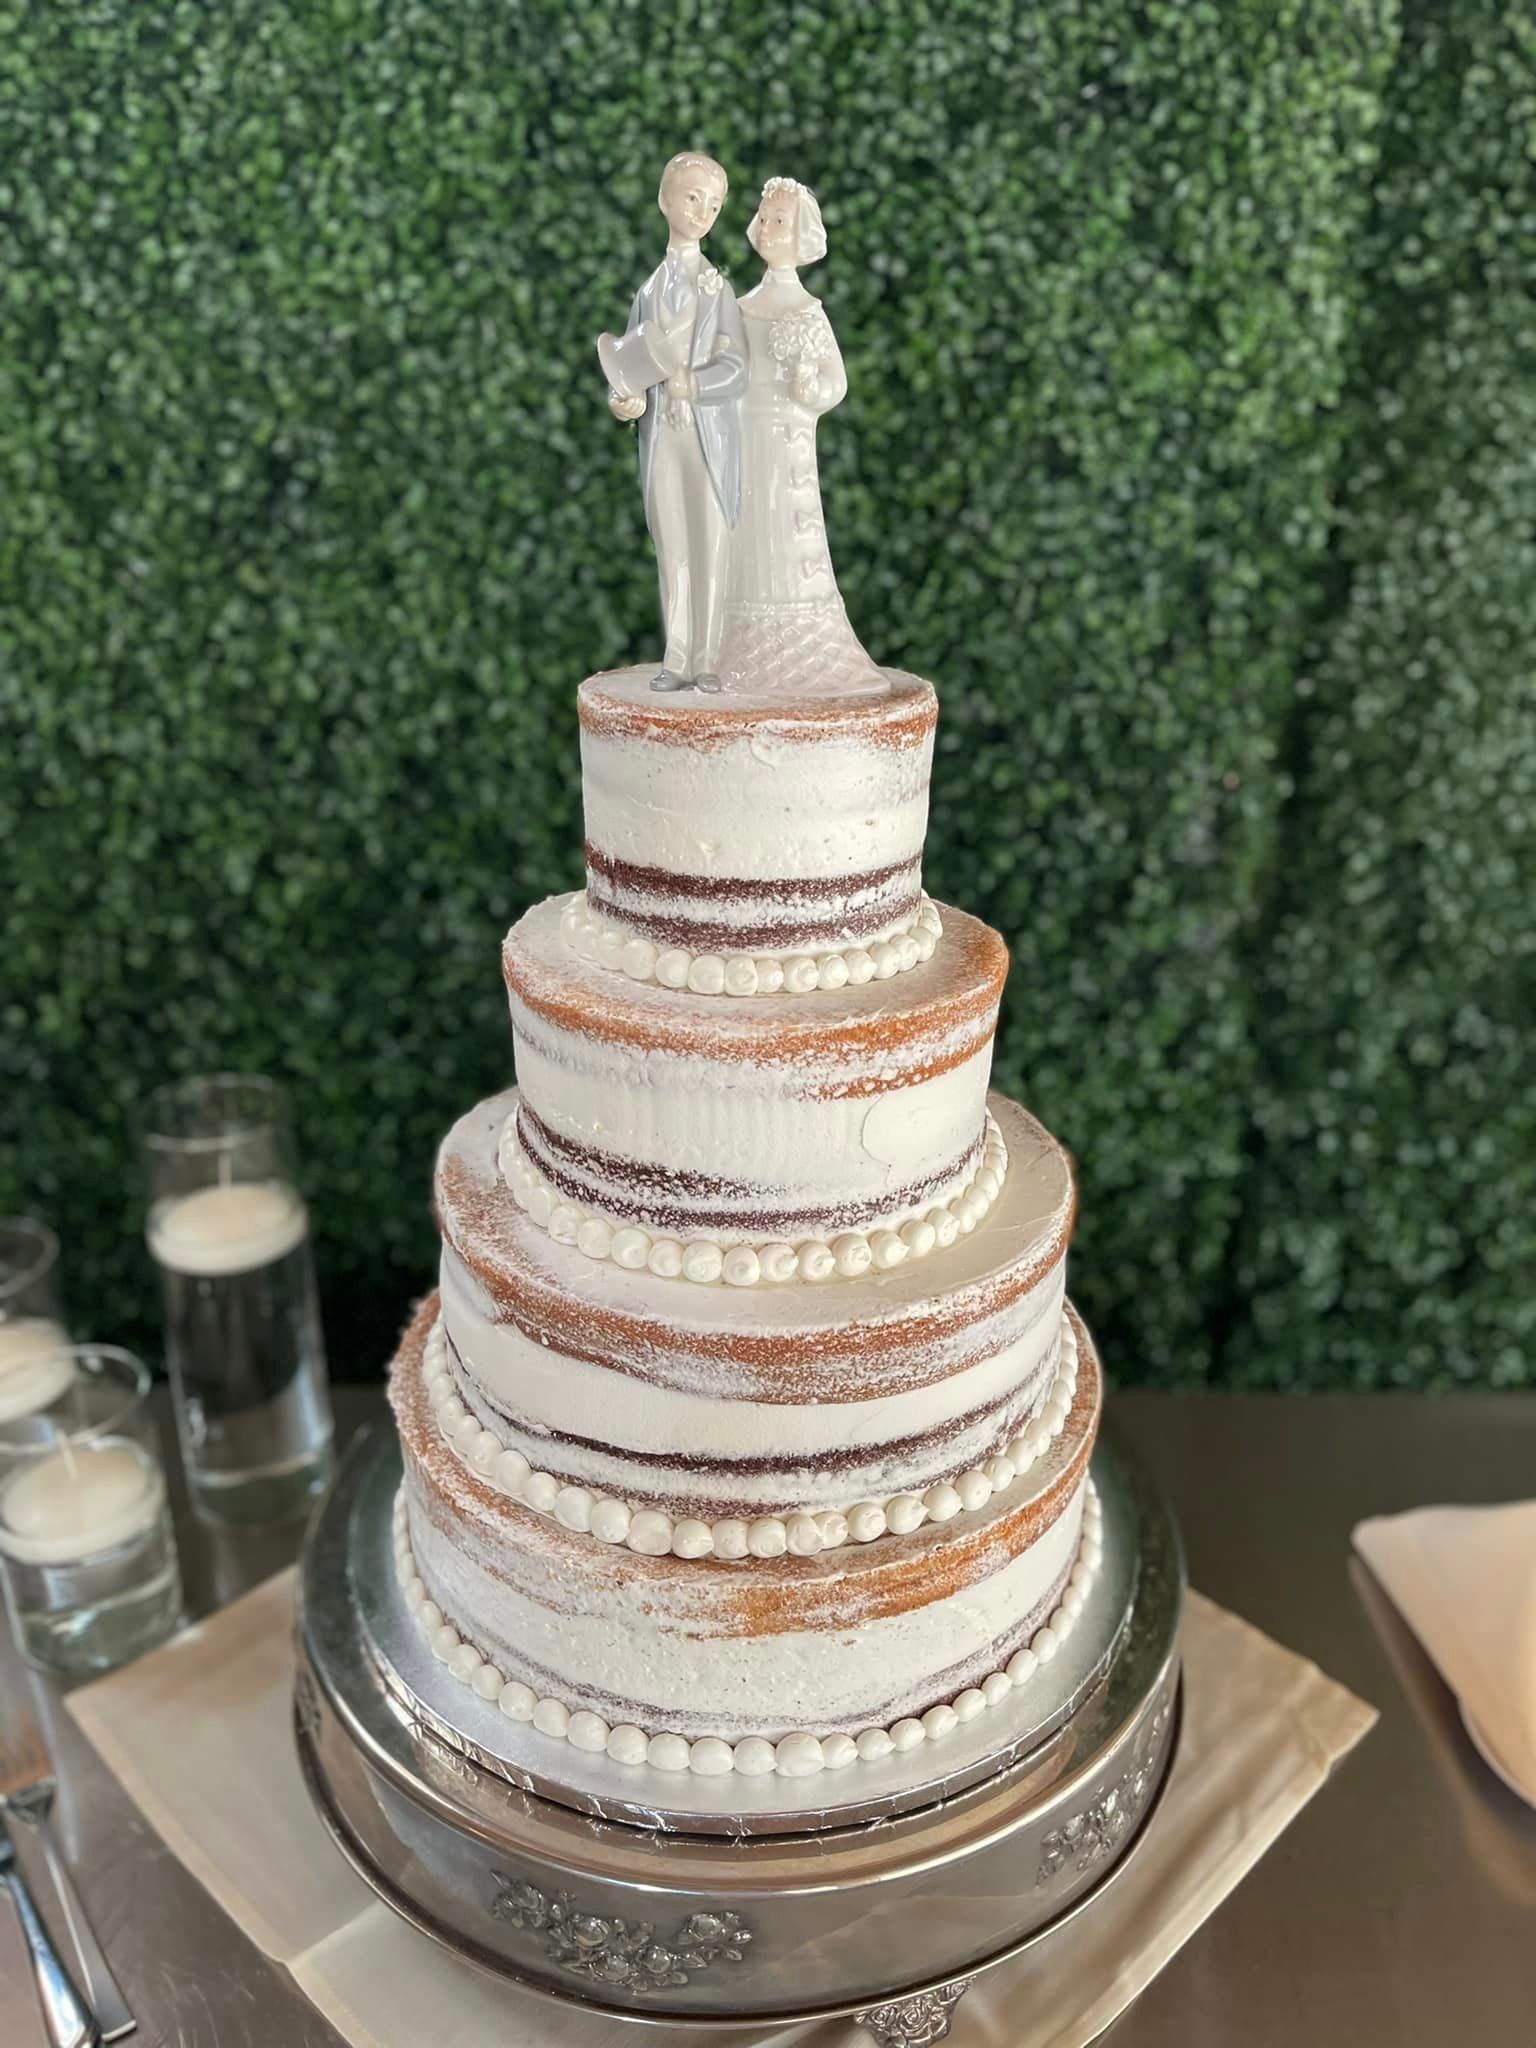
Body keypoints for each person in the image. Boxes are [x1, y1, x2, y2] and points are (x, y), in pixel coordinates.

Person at [718, 176, 878, 693]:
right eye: (765, 218)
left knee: (786, 528)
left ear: (801, 234)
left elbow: (836, 383)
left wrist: (808, 386)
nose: (769, 229)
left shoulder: (809, 313)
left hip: (787, 441)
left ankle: (799, 638)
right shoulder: (739, 308)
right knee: (744, 526)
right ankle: (731, 640)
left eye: (780, 221)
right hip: (746, 439)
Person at [597, 153, 748, 692]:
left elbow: (737, 369)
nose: (703, 212)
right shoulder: (648, 293)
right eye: (692, 198)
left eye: (713, 205)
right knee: (673, 546)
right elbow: (630, 365)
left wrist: (694, 382)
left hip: (707, 439)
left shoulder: (718, 290)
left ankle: (707, 659)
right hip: (664, 438)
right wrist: (627, 403)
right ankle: (678, 654)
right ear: (664, 201)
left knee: (708, 542)